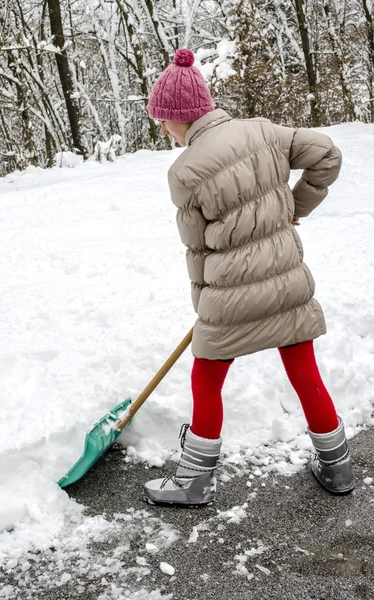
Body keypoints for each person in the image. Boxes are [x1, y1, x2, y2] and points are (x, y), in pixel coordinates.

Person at [143, 48, 354, 507]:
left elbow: (197, 248)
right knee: (304, 373)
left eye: (163, 119)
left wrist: (205, 309)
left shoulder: (184, 171)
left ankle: (195, 481)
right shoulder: (265, 132)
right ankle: (338, 466)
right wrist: (293, 209)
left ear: (180, 117)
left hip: (230, 296)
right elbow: (327, 155)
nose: (162, 129)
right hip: (286, 282)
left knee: (206, 378)